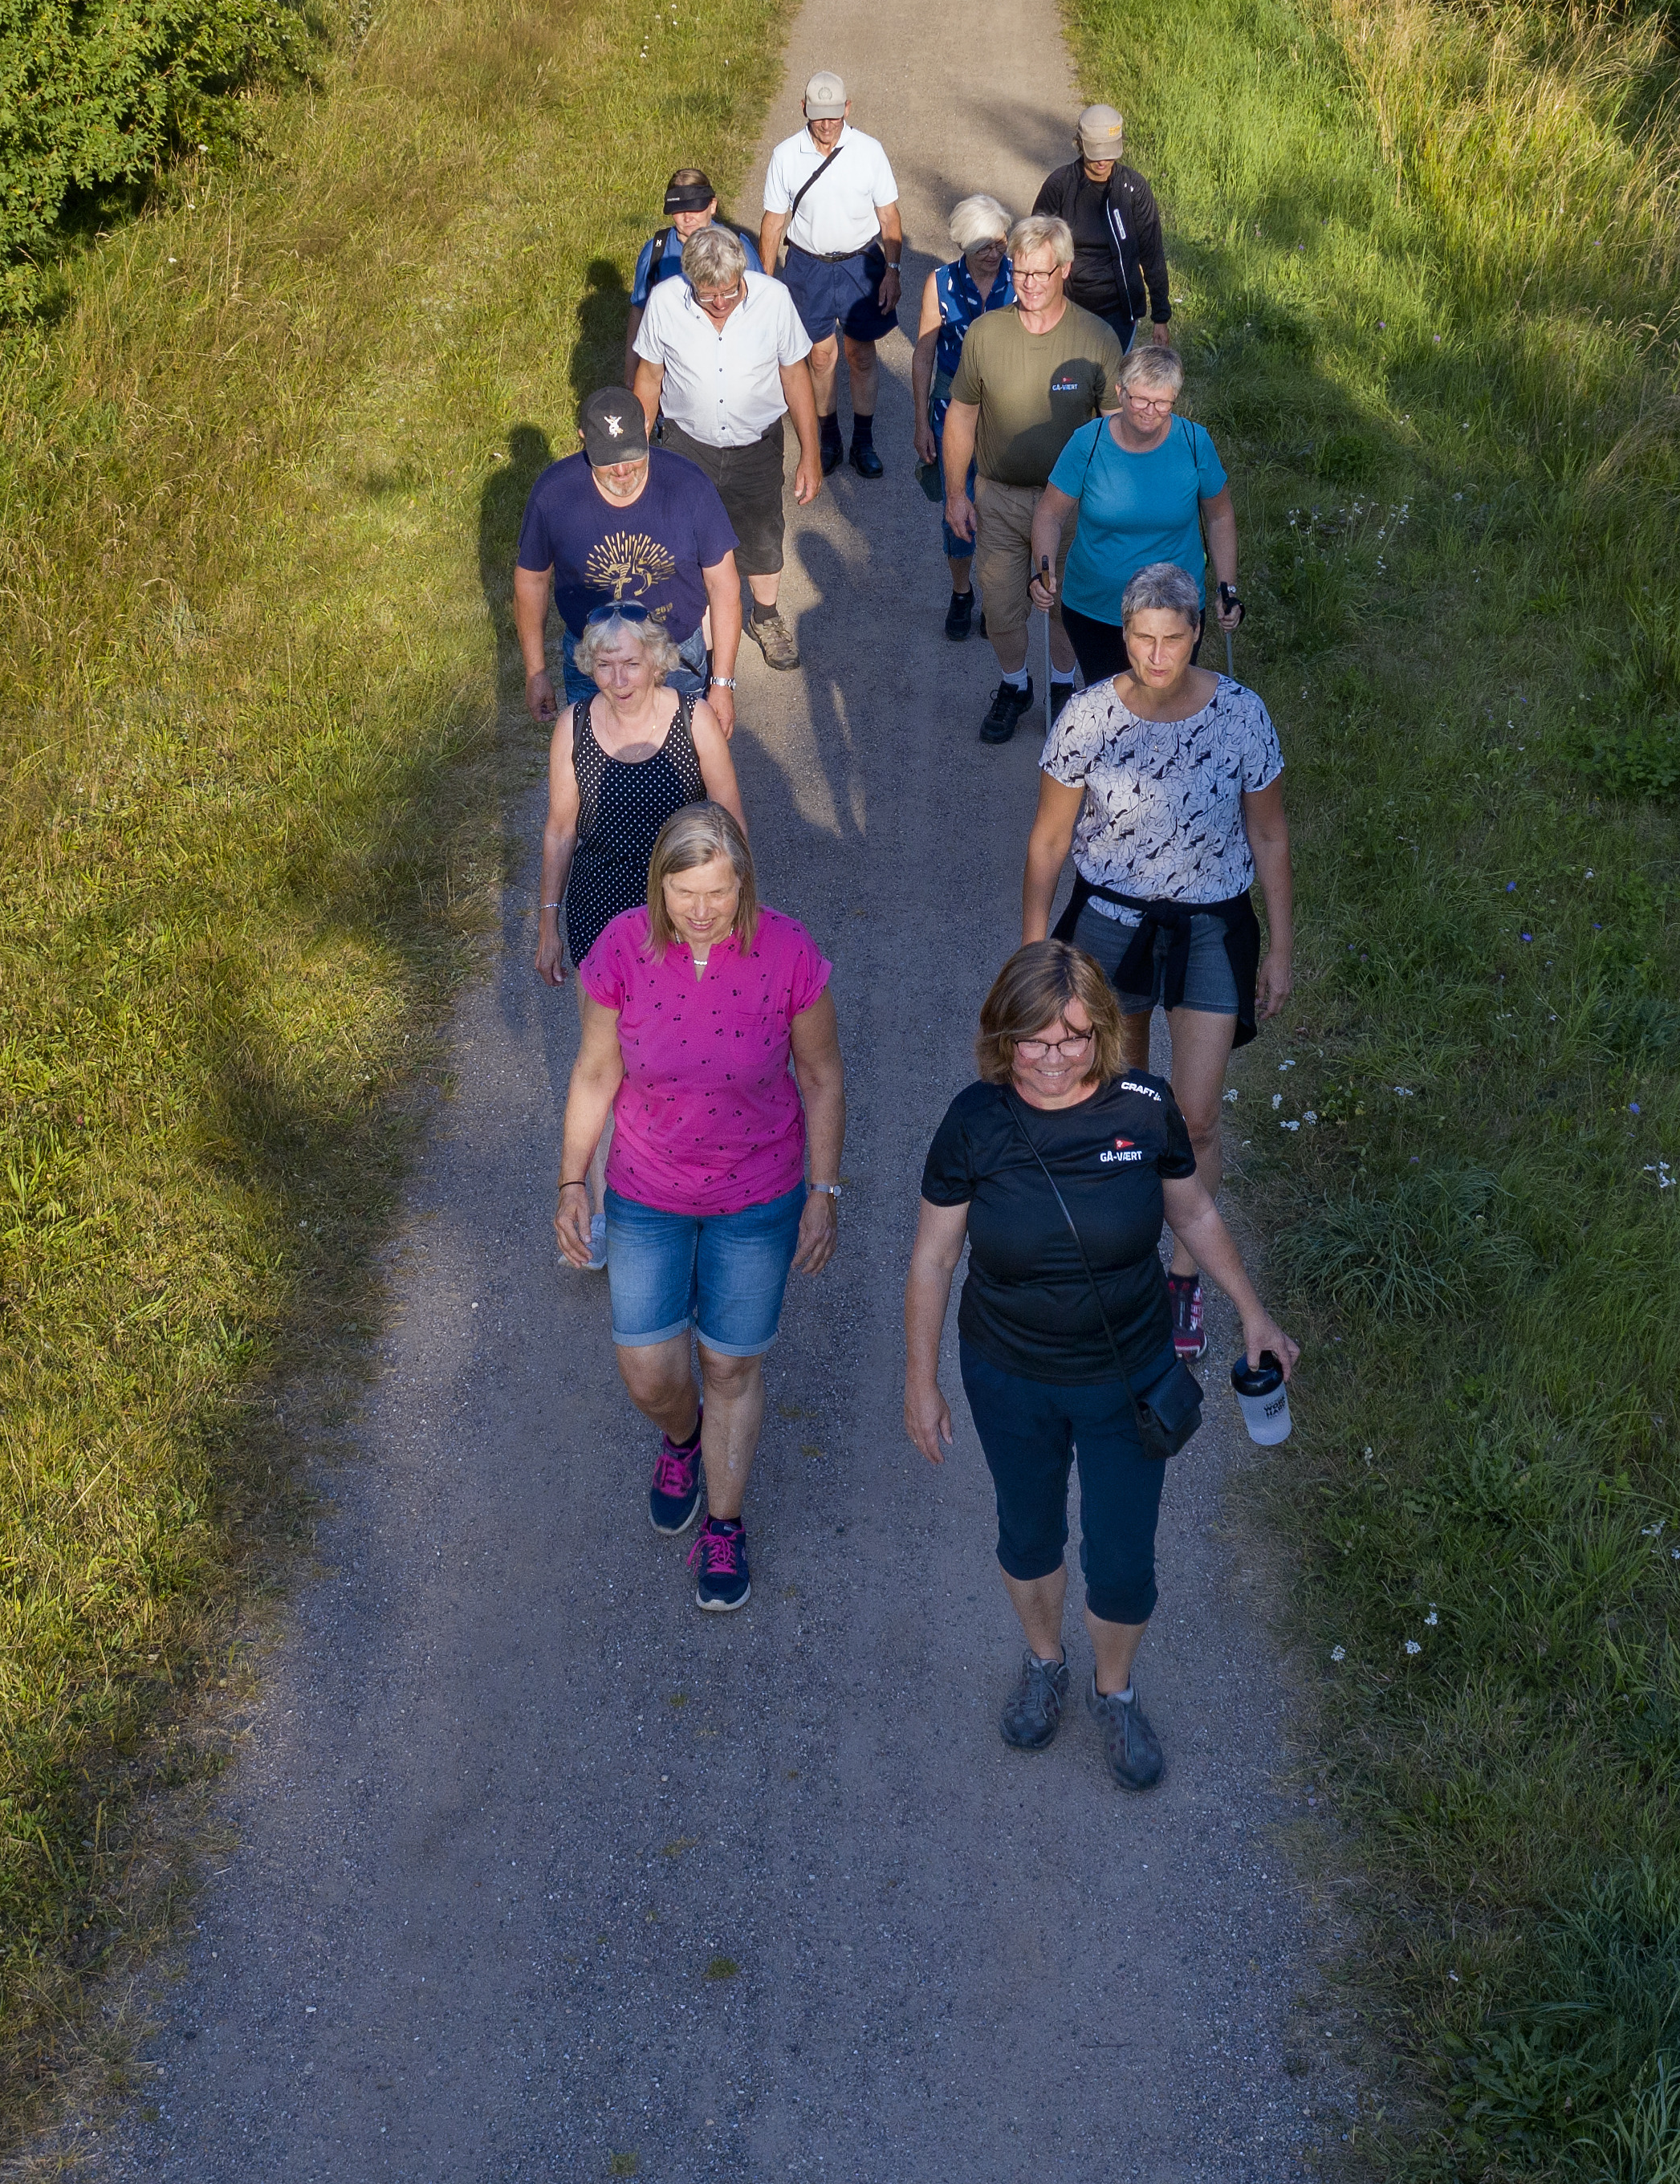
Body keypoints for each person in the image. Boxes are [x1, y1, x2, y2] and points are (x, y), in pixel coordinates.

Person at [902, 940, 1298, 1790]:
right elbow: (933, 1259)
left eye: (1073, 1038)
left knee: (1123, 1554)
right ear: (1002, 1037)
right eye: (1033, 1041)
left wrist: (1254, 1311)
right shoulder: (974, 1120)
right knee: (1029, 1530)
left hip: (1126, 1373)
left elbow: (1190, 1214)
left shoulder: (1144, 1107)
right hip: (1008, 1372)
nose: (1052, 1059)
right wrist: (919, 1379)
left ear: (1102, 1034)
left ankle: (1112, 1691)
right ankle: (1044, 1663)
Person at [558, 804, 845, 1613]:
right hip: (647, 1188)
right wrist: (571, 1180)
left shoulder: (787, 953)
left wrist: (824, 1191)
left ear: (742, 882)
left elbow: (821, 1077)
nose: (700, 911)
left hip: (757, 1196)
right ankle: (679, 1438)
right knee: (650, 1371)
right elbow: (592, 1072)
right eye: (683, 892)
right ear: (659, 884)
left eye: (717, 892)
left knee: (729, 1364)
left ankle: (724, 1522)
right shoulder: (622, 946)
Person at [1018, 563, 1292, 1361]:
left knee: (1195, 1114)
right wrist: (1036, 949)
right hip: (1108, 920)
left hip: (1211, 925)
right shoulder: (1088, 718)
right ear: (1125, 634)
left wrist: (1281, 948)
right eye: (1143, 637)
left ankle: (1182, 1274)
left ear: (1195, 633)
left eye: (1173, 638)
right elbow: (1047, 839)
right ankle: (1122, 1246)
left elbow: (1270, 835)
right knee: (1112, 1098)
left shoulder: (1243, 716)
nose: (1159, 653)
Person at [936, 215, 1123, 742]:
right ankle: (1015, 686)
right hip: (1000, 498)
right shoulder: (986, 333)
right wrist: (956, 494)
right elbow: (962, 415)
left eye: (1043, 273)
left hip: (1073, 506)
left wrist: (1113, 504)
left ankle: (1063, 686)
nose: (1032, 284)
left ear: (1065, 269)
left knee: (1067, 604)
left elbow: (1116, 428)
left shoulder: (1096, 337)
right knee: (999, 608)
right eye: (1022, 273)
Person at [630, 222, 822, 673]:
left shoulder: (773, 299)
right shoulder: (664, 302)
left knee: (762, 534)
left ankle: (766, 617)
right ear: (690, 281)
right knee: (686, 543)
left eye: (730, 292)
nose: (720, 303)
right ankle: (704, 640)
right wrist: (637, 453)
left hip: (755, 447)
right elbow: (649, 378)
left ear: (743, 275)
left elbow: (796, 376)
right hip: (686, 446)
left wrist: (810, 455)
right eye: (707, 294)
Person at [537, 604, 746, 984]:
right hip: (599, 906)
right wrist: (548, 925)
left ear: (656, 662)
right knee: (603, 1035)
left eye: (631, 664)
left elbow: (731, 824)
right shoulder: (573, 726)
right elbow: (560, 831)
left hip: (682, 905)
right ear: (588, 665)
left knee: (679, 1033)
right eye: (604, 665)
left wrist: (738, 909)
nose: (618, 681)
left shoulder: (694, 719)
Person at [511, 385, 742, 725]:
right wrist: (536, 673)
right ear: (583, 439)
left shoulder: (689, 487)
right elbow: (531, 582)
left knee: (683, 767)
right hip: (594, 664)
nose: (621, 470)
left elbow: (724, 585)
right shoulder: (554, 495)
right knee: (598, 771)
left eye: (631, 453)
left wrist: (722, 684)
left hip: (675, 656)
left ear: (647, 427)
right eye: (608, 458)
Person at [1028, 340, 1239, 687]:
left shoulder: (1194, 442)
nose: (1150, 411)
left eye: (1162, 402)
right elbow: (1050, 514)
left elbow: (1220, 517)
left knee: (1167, 708)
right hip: (1096, 610)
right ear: (1119, 393)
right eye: (1140, 398)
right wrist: (1044, 571)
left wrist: (1227, 588)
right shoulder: (1088, 442)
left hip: (1175, 614)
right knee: (1113, 708)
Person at [759, 71, 906, 480]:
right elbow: (773, 223)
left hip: (861, 263)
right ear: (804, 109)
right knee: (820, 356)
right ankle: (828, 438)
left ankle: (863, 440)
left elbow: (889, 215)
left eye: (835, 115)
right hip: (808, 266)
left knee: (860, 354)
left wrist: (892, 271)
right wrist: (764, 283)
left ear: (848, 108)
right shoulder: (786, 155)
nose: (826, 125)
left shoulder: (869, 151)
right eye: (818, 116)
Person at [909, 193, 1021, 641]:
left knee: (1003, 508)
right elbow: (923, 355)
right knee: (957, 506)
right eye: (984, 247)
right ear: (963, 247)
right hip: (953, 404)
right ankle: (961, 592)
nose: (995, 253)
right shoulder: (939, 283)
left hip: (1009, 406)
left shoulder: (1021, 279)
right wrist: (921, 421)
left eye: (1000, 242)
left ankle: (998, 598)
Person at [1031, 103, 1171, 348]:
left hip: (1118, 312)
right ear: (1080, 144)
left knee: (1110, 382)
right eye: (1096, 151)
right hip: (1067, 309)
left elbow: (1152, 254)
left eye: (1109, 151)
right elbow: (1034, 250)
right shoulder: (1059, 185)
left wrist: (1161, 317)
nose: (1102, 161)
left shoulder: (1134, 189)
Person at [633, 165, 754, 308]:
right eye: (679, 211)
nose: (687, 218)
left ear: (713, 206)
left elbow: (761, 299)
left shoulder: (738, 245)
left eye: (694, 208)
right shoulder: (655, 251)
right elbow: (640, 308)